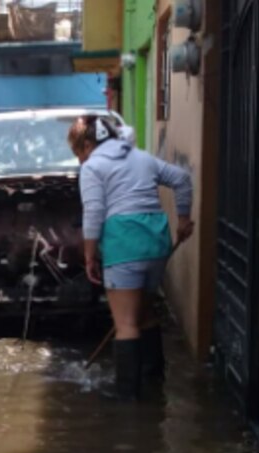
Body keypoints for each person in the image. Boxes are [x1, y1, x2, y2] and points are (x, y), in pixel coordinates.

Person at [67, 115, 194, 400]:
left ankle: (129, 404)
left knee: (125, 324)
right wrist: (183, 219)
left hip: (124, 245)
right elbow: (182, 179)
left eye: (78, 152)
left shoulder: (93, 167)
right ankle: (154, 383)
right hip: (156, 244)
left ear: (88, 144)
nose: (79, 160)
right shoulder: (142, 158)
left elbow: (94, 214)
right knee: (145, 315)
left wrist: (89, 255)